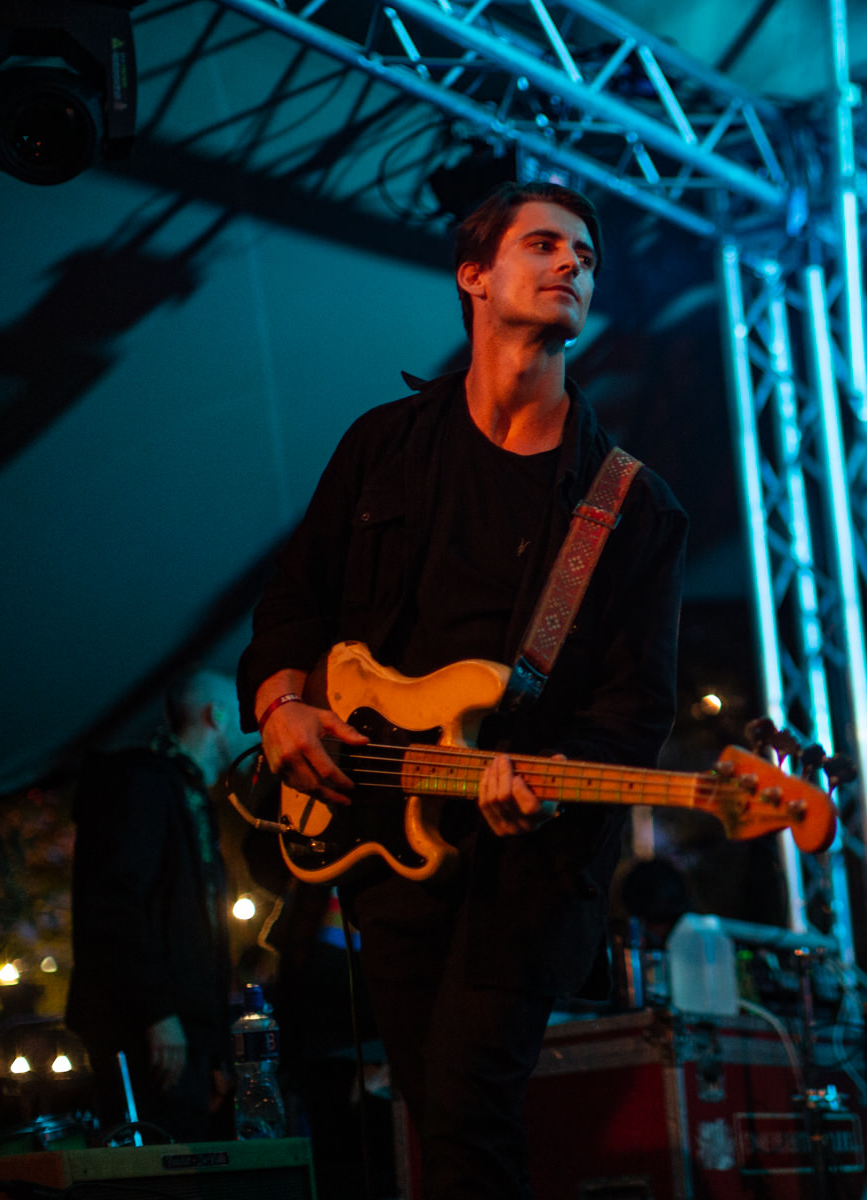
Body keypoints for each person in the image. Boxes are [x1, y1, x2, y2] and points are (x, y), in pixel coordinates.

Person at [237, 180, 686, 1200]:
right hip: (383, 838)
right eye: (545, 244)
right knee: (433, 1118)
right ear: (473, 274)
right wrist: (280, 701)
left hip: (528, 869)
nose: (575, 264)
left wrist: (557, 782)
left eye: (586, 254)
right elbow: (295, 604)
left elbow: (633, 715)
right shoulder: (381, 447)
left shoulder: (629, 504)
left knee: (469, 1107)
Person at [68, 669, 247, 1142]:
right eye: (243, 718)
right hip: (147, 1031)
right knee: (156, 1164)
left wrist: (213, 1052)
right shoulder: (140, 783)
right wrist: (158, 1015)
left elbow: (200, 930)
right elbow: (116, 902)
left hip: (181, 1033)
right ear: (217, 715)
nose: (254, 734)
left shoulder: (189, 796)